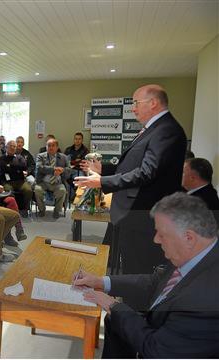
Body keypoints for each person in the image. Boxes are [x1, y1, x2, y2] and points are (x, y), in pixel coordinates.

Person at [75, 85, 187, 299]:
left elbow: (146, 173)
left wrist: (102, 182)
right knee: (128, 267)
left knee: (137, 272)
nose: (133, 109)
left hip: (142, 216)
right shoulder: (152, 129)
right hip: (131, 215)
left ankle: (133, 319)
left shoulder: (166, 131)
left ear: (153, 103)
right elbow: (132, 167)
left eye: (136, 103)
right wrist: (104, 169)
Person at [74, 193, 219, 358]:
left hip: (159, 346)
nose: (156, 240)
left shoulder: (204, 301)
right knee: (114, 321)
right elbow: (155, 282)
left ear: (189, 237)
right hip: (162, 328)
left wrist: (115, 306)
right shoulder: (194, 252)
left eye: (162, 234)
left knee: (115, 318)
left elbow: (156, 350)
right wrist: (101, 281)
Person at [35, 138, 71, 219]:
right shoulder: (40, 156)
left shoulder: (63, 157)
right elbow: (39, 167)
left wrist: (62, 170)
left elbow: (69, 169)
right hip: (43, 182)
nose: (51, 148)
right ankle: (41, 209)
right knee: (37, 190)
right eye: (49, 146)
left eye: (53, 146)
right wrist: (54, 169)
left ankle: (57, 211)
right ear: (46, 147)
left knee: (62, 190)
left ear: (57, 147)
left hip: (57, 182)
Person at [0, 140, 32, 216]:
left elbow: (24, 166)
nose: (12, 148)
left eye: (14, 146)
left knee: (28, 190)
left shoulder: (20, 157)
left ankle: (24, 209)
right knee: (9, 191)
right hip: (7, 182)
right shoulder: (1, 158)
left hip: (20, 181)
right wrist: (17, 169)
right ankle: (13, 210)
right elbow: (2, 168)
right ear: (6, 147)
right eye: (11, 146)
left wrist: (10, 166)